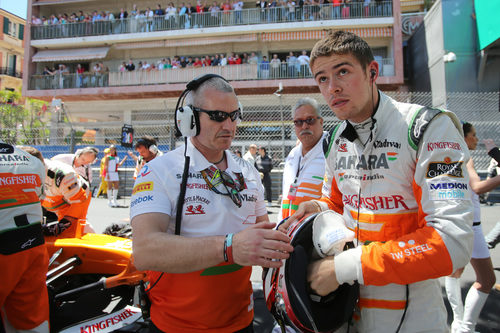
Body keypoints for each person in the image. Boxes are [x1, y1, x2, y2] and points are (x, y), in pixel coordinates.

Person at [280, 30, 474, 332]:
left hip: (412, 316)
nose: (333, 88)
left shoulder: (426, 128)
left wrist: (342, 268)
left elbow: (452, 242)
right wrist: (315, 206)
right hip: (346, 307)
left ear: (373, 71)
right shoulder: (333, 140)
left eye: (343, 71)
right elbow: (337, 201)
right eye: (322, 78)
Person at [130, 75, 293, 332]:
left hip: (242, 322)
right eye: (217, 115)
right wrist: (228, 248)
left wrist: (304, 221)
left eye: (234, 115)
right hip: (176, 326)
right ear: (189, 119)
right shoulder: (158, 171)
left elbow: (264, 236)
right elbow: (144, 251)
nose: (229, 124)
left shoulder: (248, 172)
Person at [445, 124, 499, 333]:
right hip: (471, 228)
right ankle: (465, 328)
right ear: (464, 138)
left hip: (460, 224)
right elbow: (477, 188)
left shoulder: (451, 155)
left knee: (455, 272)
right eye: (473, 135)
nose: (477, 139)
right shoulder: (465, 157)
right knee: (487, 280)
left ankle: (459, 322)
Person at [0, 143, 49, 333]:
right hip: (33, 245)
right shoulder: (30, 159)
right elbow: (39, 198)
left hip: (4, 248)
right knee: (31, 318)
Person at [279, 97, 326, 222]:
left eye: (310, 120)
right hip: (288, 232)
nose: (304, 126)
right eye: (298, 122)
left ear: (321, 122)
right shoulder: (293, 155)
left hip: (319, 235)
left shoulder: (333, 151)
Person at [41, 158, 93, 236]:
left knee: (73, 230)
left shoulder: (64, 175)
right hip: (53, 196)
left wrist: (62, 225)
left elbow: (78, 202)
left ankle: (93, 243)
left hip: (76, 197)